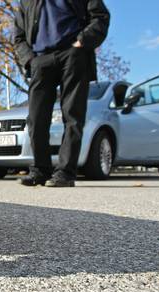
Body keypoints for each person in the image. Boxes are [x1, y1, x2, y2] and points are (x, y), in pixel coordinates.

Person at [14, 0, 110, 187]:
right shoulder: (26, 1)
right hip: (40, 60)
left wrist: (82, 42)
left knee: (73, 116)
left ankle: (66, 172)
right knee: (36, 118)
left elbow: (101, 17)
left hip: (73, 55)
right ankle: (40, 170)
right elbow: (18, 36)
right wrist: (30, 61)